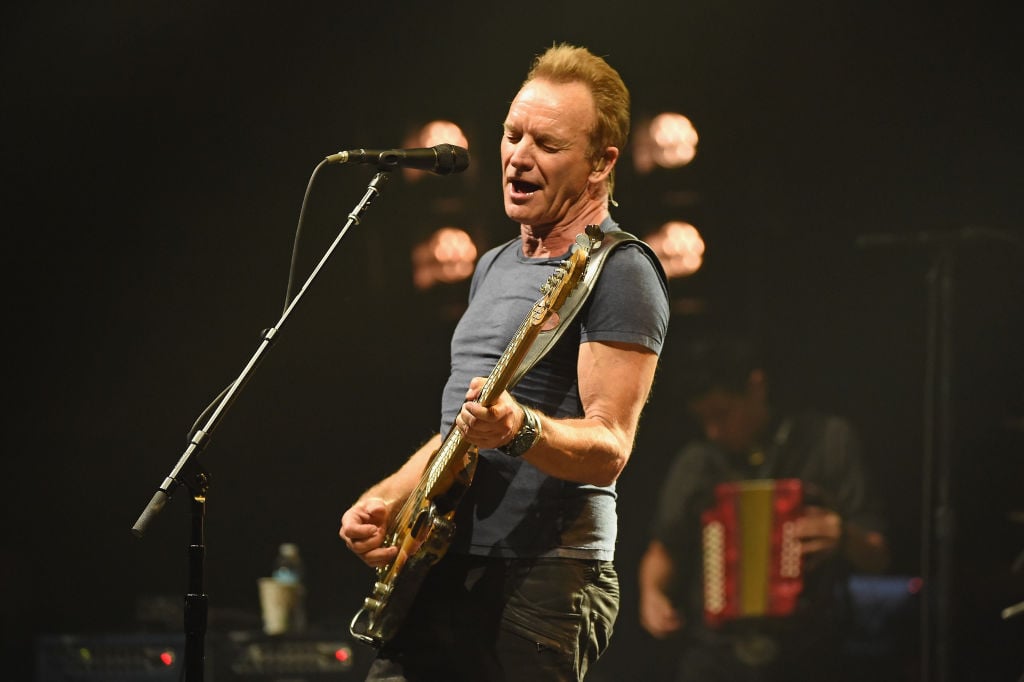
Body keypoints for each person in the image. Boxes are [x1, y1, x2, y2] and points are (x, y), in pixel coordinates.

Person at [339, 43, 670, 682]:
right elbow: (461, 431)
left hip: (541, 578)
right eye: (512, 135)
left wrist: (520, 428)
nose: (519, 155)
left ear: (602, 163)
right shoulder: (491, 265)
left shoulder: (621, 271)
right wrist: (387, 498)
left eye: (547, 144)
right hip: (439, 564)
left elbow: (611, 444)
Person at [638, 334, 890, 681]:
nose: (713, 431)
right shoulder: (698, 462)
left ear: (756, 387)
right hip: (716, 658)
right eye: (704, 420)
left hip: (811, 655)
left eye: (722, 415)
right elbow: (663, 549)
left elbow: (878, 554)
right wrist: (651, 593)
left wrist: (842, 535)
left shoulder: (827, 441)